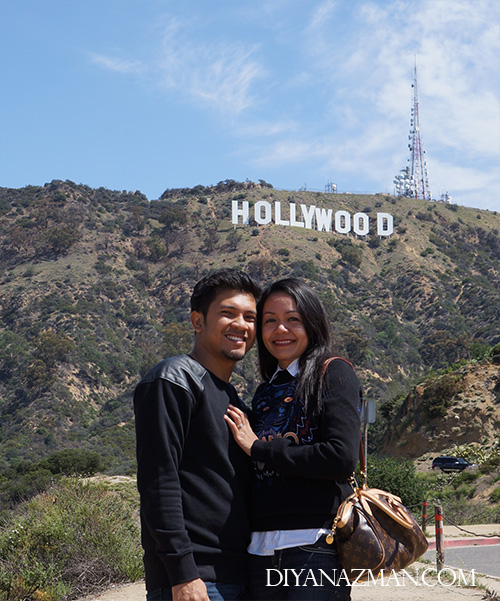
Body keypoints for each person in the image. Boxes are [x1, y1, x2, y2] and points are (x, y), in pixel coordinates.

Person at [225, 278, 362, 601]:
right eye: (269, 321)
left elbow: (340, 458)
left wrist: (258, 447)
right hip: (259, 550)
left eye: (292, 320)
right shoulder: (264, 392)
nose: (280, 330)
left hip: (314, 547)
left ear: (312, 324)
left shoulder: (334, 372)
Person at [134, 268, 261, 601]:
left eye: (250, 317)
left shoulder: (236, 401)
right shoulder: (173, 380)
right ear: (197, 321)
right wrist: (182, 573)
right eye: (227, 313)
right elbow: (159, 481)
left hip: (238, 575)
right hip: (195, 581)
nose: (242, 325)